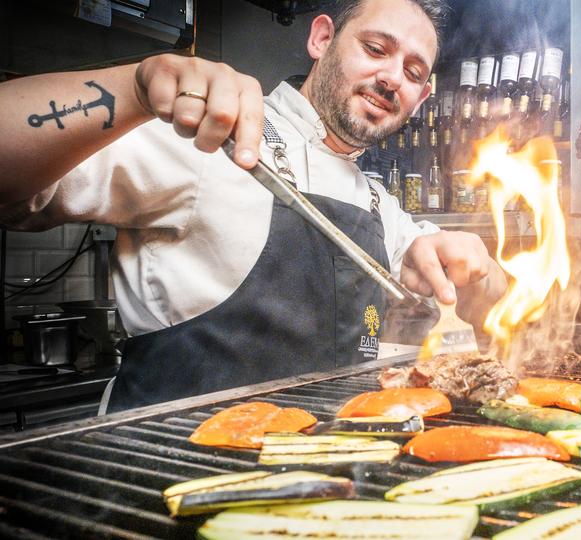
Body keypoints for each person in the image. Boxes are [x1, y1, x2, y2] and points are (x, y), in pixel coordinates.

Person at [0, 0, 506, 411]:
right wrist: (132, 89)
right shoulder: (210, 134)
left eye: (414, 71)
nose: (393, 76)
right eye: (376, 48)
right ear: (322, 39)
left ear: (419, 100)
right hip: (161, 468)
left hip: (316, 483)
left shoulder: (375, 201)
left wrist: (468, 261)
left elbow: (495, 288)